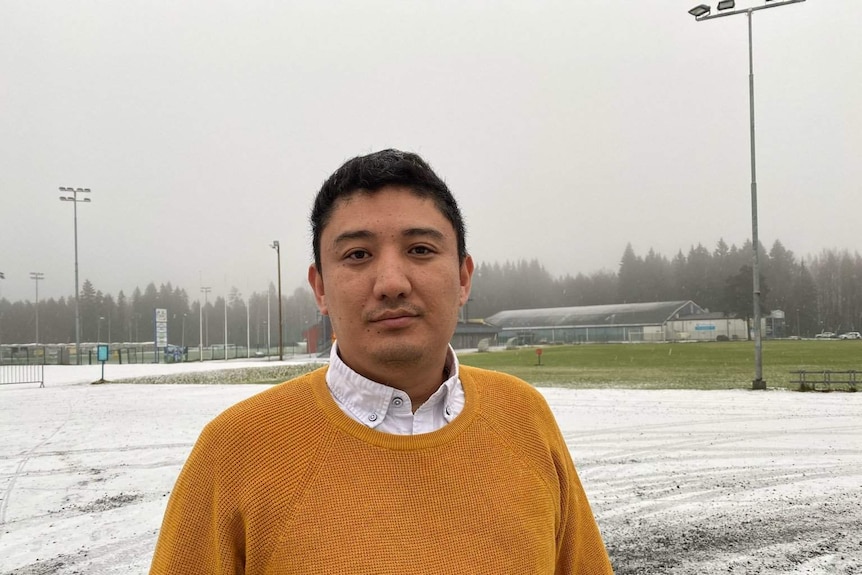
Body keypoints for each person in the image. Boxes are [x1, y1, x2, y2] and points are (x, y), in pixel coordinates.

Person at [149, 149, 613, 574]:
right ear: (321, 288)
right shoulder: (234, 449)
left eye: (420, 250)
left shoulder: (525, 417)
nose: (391, 282)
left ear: (463, 277)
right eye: (357, 255)